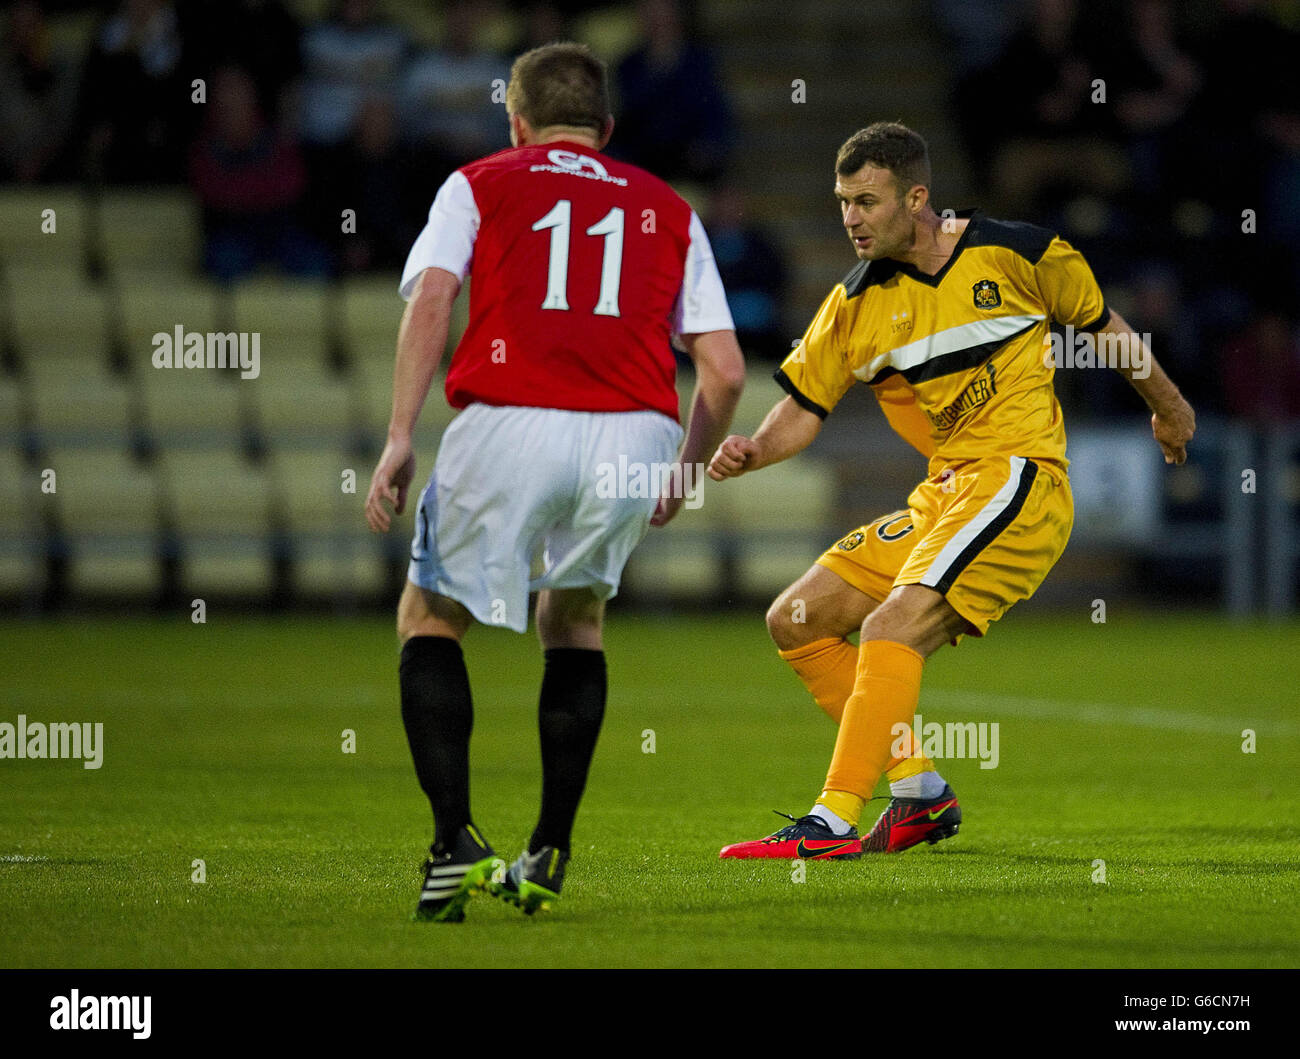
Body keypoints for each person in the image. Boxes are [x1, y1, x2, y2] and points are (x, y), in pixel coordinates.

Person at [708, 122, 1194, 860]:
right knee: (797, 617)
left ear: (918, 197)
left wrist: (1169, 405)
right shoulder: (856, 303)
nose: (851, 218)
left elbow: (1106, 330)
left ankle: (833, 819)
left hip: (1019, 479)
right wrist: (754, 449)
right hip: (945, 494)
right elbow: (803, 408)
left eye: (867, 200)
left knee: (889, 628)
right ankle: (919, 793)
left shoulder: (1021, 253)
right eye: (842, 202)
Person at [364, 42, 744, 920]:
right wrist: (685, 472)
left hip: (509, 419)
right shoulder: (670, 209)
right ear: (606, 130)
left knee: (430, 616)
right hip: (634, 433)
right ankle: (550, 847)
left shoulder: (479, 182)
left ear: (517, 121)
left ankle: (454, 840)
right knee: (574, 620)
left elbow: (431, 299)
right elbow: (722, 374)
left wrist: (396, 436)